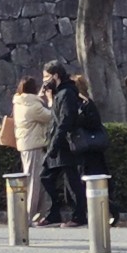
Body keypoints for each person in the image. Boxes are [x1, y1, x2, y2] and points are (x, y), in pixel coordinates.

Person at [36, 60, 86, 226]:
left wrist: (54, 145)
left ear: (56, 75)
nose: (44, 81)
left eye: (47, 77)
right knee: (47, 177)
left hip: (65, 144)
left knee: (72, 182)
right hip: (59, 143)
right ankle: (54, 213)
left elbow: (64, 122)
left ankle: (79, 216)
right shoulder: (59, 93)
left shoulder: (66, 93)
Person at [70, 74, 118, 227]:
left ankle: (109, 210)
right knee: (88, 184)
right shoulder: (84, 103)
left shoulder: (85, 104)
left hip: (89, 151)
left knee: (90, 184)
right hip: (90, 151)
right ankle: (98, 212)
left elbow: (93, 123)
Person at [10, 77, 52, 222]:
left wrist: (39, 98)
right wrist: (50, 100)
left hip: (25, 145)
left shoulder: (20, 102)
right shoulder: (34, 105)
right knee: (34, 182)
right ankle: (27, 216)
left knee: (31, 179)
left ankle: (34, 214)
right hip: (34, 146)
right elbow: (51, 116)